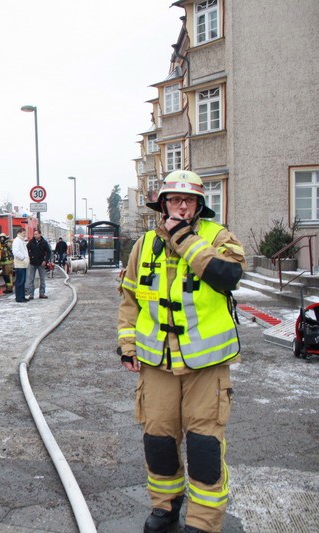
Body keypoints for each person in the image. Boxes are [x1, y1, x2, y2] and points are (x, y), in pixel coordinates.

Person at [117, 170, 246, 533]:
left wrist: (184, 239)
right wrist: (128, 344)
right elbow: (129, 299)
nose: (182, 205)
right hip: (156, 362)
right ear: (163, 204)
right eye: (175, 200)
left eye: (189, 200)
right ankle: (165, 507)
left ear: (199, 206)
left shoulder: (218, 237)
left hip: (207, 364)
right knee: (158, 438)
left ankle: (203, 522)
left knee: (205, 446)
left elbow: (228, 276)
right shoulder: (143, 245)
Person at [26, 229, 51, 300]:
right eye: (34, 234)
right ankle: (31, 294)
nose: (35, 235)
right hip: (33, 263)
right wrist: (31, 256)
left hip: (41, 263)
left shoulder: (44, 242)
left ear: (40, 234)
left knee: (42, 279)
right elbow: (26, 249)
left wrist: (45, 261)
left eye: (36, 234)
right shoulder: (31, 242)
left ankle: (42, 294)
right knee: (31, 279)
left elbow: (49, 252)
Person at [12, 228, 29, 303]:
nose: (24, 234)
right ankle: (19, 298)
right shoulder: (17, 241)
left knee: (22, 281)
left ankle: (22, 296)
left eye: (25, 233)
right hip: (20, 264)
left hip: (23, 264)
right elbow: (16, 252)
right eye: (23, 233)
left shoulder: (21, 241)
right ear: (19, 233)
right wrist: (23, 258)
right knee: (20, 281)